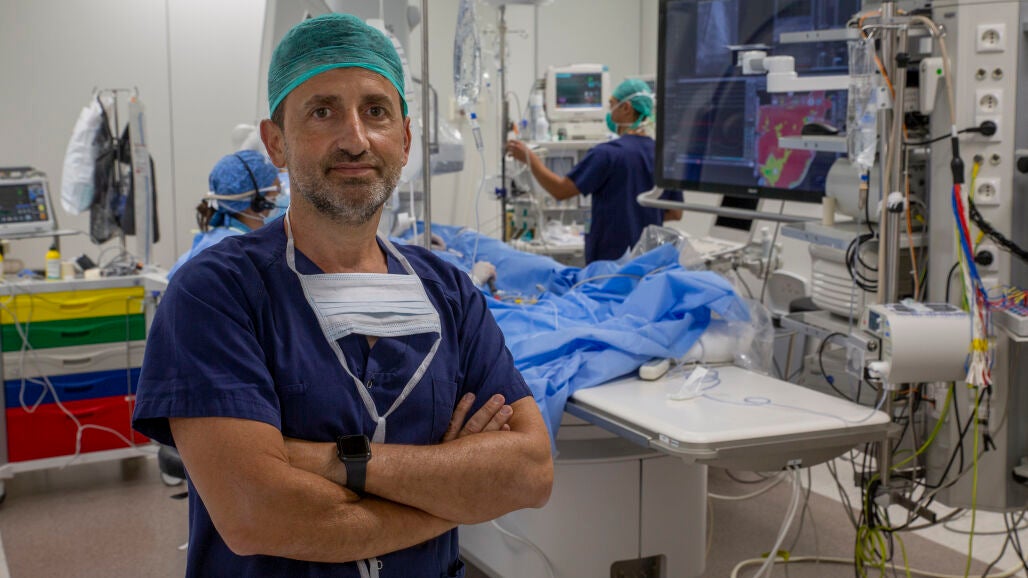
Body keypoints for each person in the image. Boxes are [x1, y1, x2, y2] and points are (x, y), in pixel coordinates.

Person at [132, 13, 553, 577]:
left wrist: (331, 463)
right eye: (322, 111)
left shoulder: (450, 293)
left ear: (405, 139)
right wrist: (453, 493)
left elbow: (530, 473)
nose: (355, 139)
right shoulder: (214, 294)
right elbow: (258, 515)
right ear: (276, 143)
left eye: (376, 111)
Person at [507, 78, 684, 263]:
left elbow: (560, 191)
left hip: (611, 261)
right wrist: (637, 217)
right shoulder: (665, 155)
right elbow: (675, 213)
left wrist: (530, 159)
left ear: (626, 108)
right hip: (649, 260)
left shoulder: (607, 154)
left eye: (612, 105)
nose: (610, 111)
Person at [166, 150, 287, 277]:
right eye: (278, 191)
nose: (283, 196)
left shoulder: (220, 239)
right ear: (258, 202)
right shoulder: (231, 255)